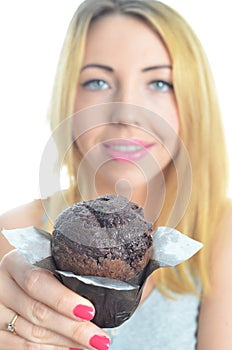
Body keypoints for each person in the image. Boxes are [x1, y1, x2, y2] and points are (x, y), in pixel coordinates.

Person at [0, 0, 232, 349]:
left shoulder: (220, 233)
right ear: (68, 98)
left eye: (158, 83)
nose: (126, 112)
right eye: (97, 81)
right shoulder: (10, 238)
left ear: (192, 102)